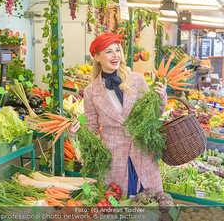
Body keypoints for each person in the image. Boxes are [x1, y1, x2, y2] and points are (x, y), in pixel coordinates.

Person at [68, 33, 167, 196]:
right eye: (108, 52)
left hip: (141, 148)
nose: (115, 55)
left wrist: (162, 96)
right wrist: (74, 132)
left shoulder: (137, 80)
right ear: (98, 57)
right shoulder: (91, 91)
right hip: (113, 153)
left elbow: (153, 114)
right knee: (118, 200)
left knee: (148, 200)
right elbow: (91, 126)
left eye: (117, 50)